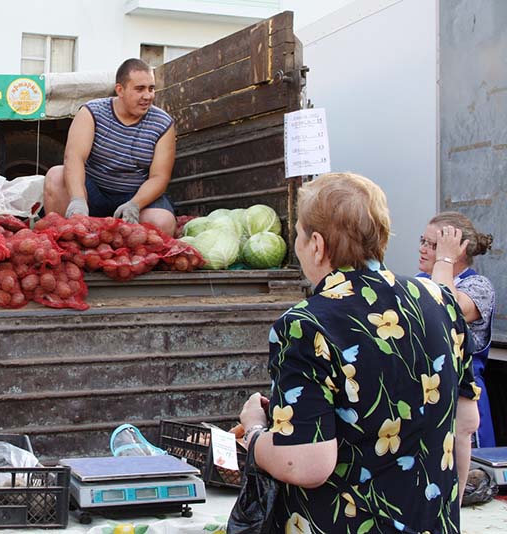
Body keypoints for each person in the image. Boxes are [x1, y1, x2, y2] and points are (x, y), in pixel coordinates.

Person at [237, 173, 480, 533]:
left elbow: (305, 464)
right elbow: (466, 424)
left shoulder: (306, 323)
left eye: (299, 236)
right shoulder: (439, 300)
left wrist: (255, 434)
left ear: (316, 244)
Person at [43, 58, 177, 236]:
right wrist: (77, 199)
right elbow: (74, 158)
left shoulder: (163, 123)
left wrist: (135, 204)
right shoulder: (93, 112)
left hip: (135, 195)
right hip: (93, 192)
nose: (148, 96)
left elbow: (159, 177)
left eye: (151, 89)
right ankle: (66, 242)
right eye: (139, 89)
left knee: (163, 222)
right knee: (55, 176)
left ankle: (130, 256)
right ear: (120, 90)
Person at [417, 212, 496, 448]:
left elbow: (446, 309)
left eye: (433, 245)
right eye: (423, 241)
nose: (423, 249)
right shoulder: (419, 281)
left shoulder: (478, 286)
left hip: (463, 396)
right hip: (428, 392)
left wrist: (444, 261)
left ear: (456, 251)